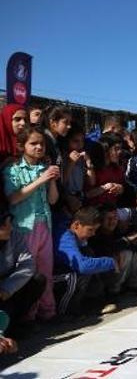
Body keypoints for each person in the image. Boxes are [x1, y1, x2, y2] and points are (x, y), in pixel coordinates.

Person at [4, 127, 59, 320]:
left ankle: (48, 312)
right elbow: (12, 198)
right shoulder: (13, 170)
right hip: (23, 227)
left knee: (46, 270)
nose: (39, 147)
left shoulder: (44, 168)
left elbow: (53, 200)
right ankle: (29, 315)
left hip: (44, 224)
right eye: (33, 143)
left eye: (42, 144)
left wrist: (51, 180)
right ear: (21, 146)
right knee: (28, 272)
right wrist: (40, 180)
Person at [53, 206, 116, 316]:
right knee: (75, 275)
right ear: (77, 225)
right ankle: (66, 312)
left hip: (64, 268)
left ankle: (93, 301)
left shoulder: (74, 233)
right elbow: (82, 266)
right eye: (90, 230)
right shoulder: (65, 238)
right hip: (55, 275)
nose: (93, 234)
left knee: (90, 254)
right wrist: (111, 262)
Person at [0, 210, 46, 333]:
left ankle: (16, 323)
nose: (11, 227)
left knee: (38, 280)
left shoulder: (14, 236)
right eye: (6, 224)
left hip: (8, 285)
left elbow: (28, 263)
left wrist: (7, 288)